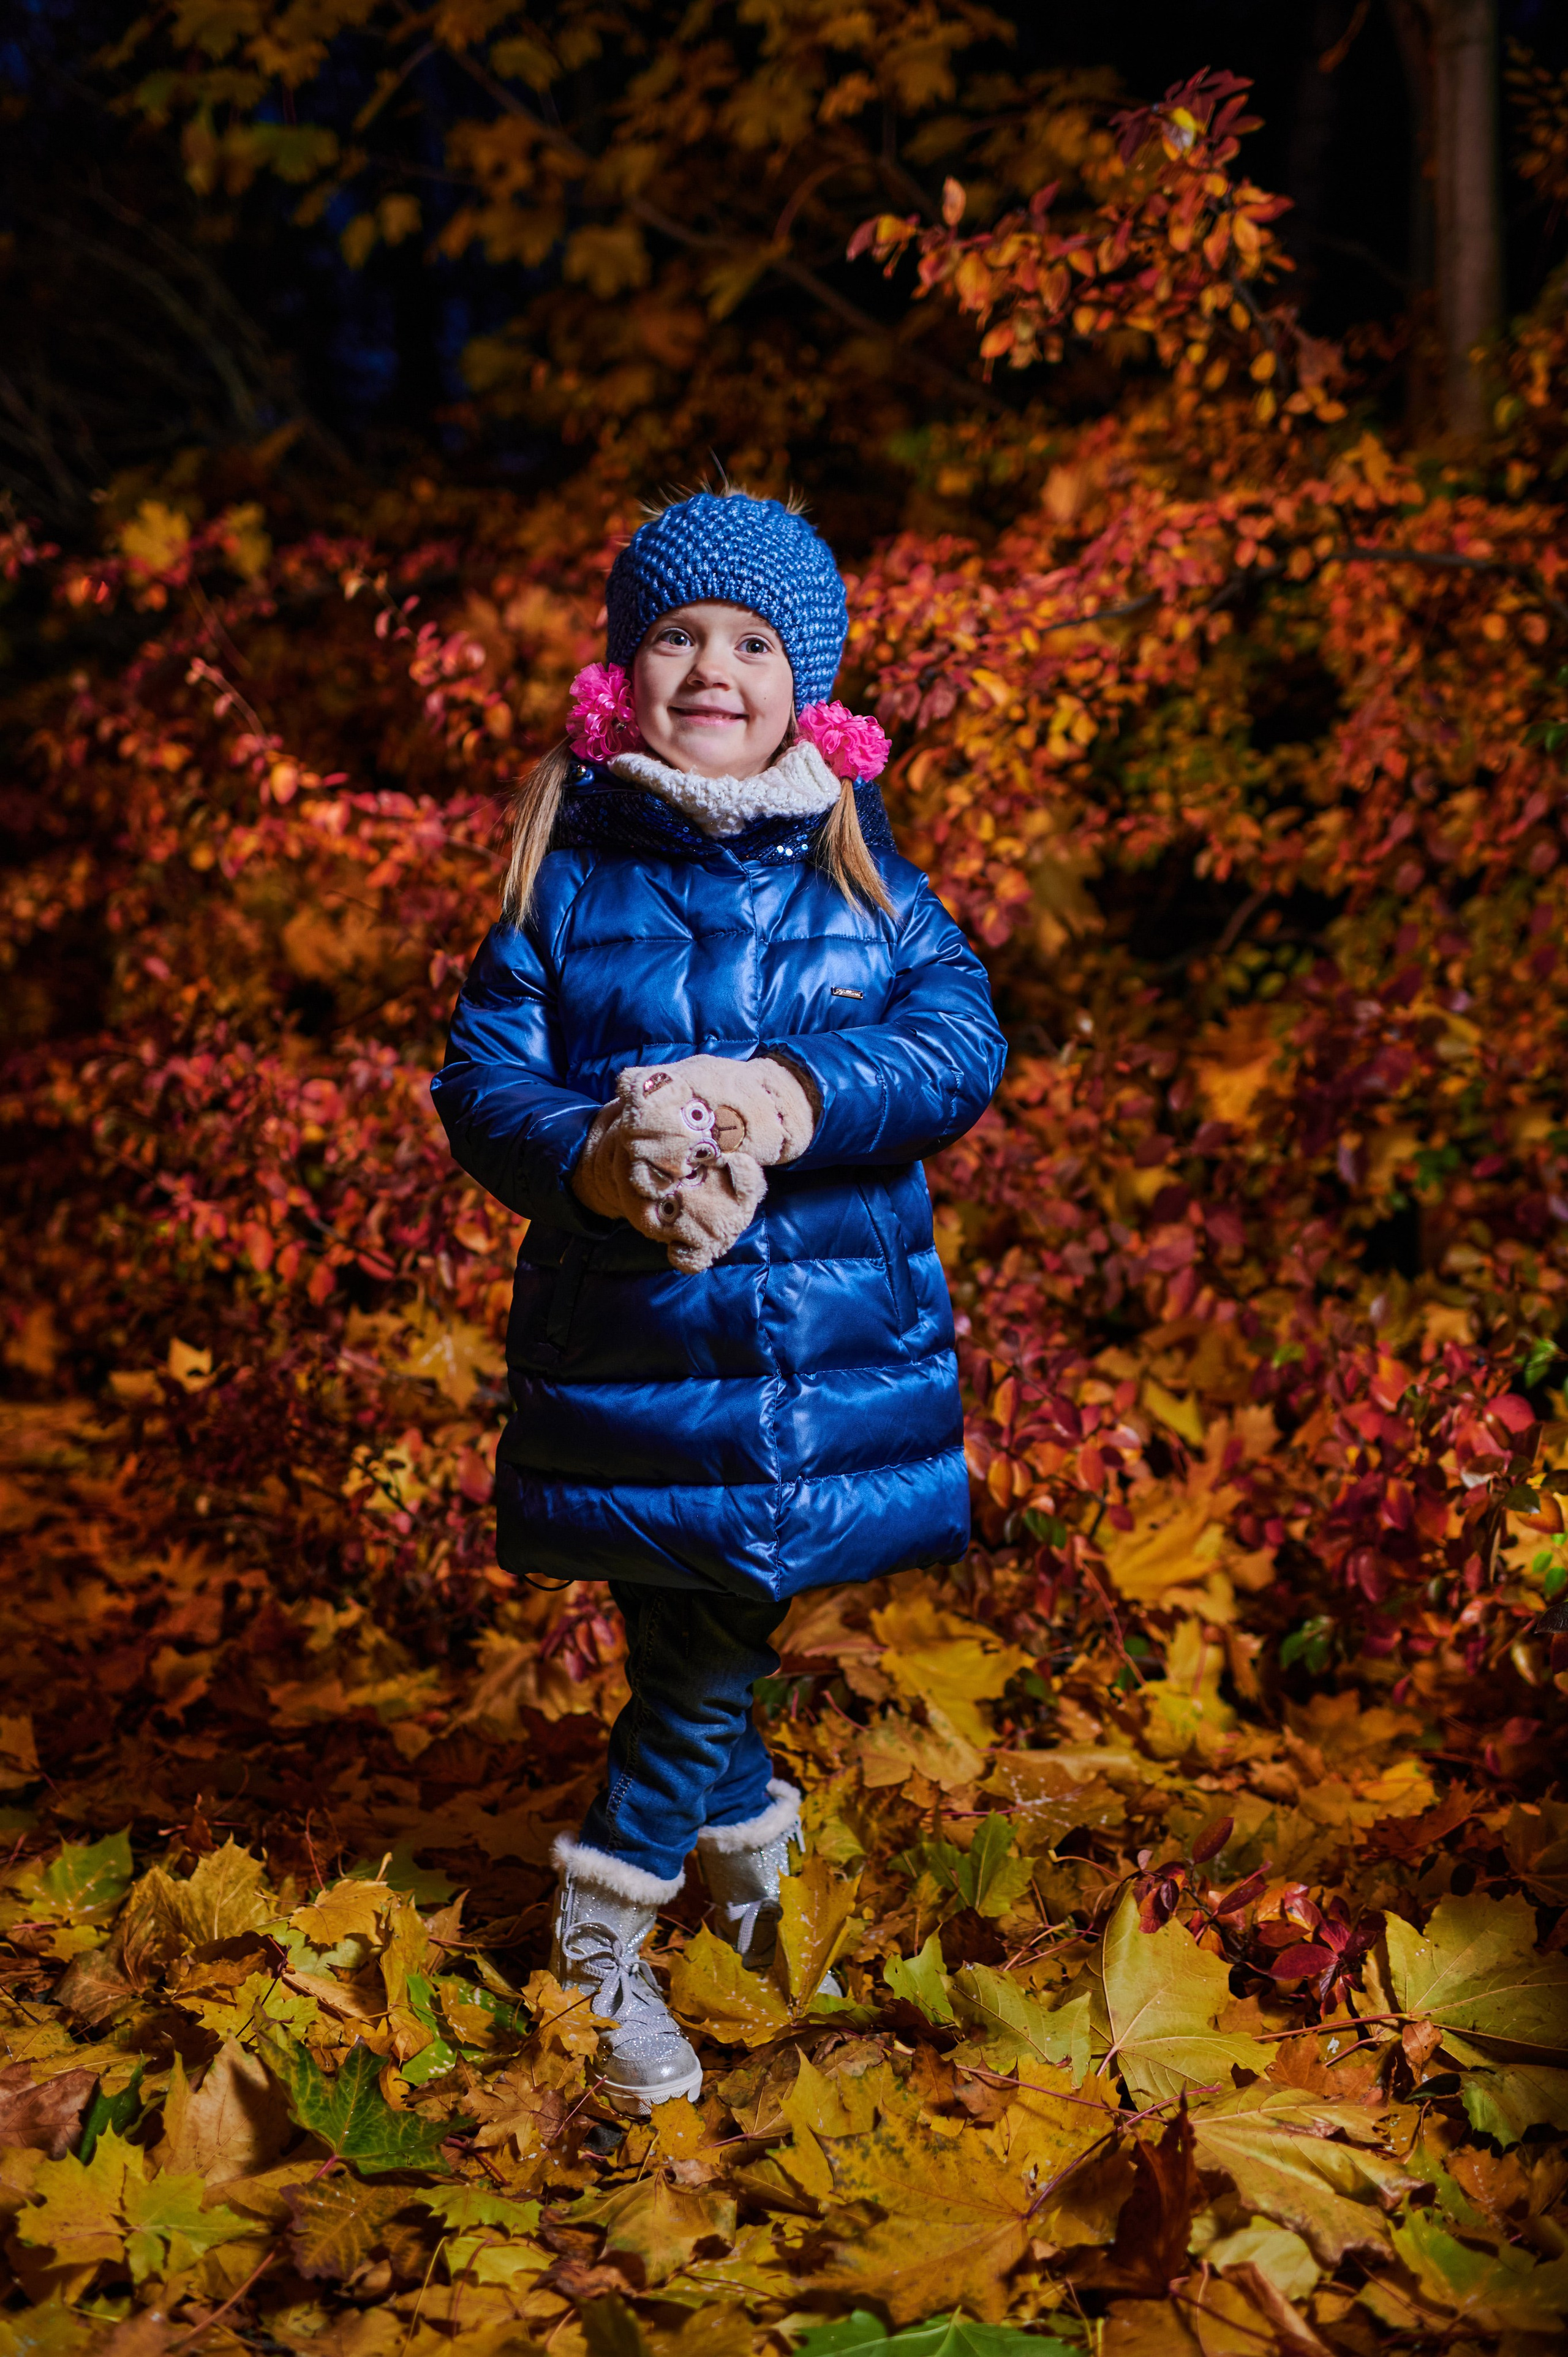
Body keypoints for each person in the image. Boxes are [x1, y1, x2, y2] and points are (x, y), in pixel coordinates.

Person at [432, 489, 1006, 2111]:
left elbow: (960, 1046)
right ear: (623, 671)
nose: (713, 664)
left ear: (805, 688)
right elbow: (483, 1081)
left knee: (707, 1650)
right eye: (676, 634)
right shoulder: (571, 870)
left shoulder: (865, 873)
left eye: (753, 643)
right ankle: (678, 1929)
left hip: (826, 1366)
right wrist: (597, 1159)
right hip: (635, 1357)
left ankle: (624, 1925)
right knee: (700, 1645)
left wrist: (786, 1096)